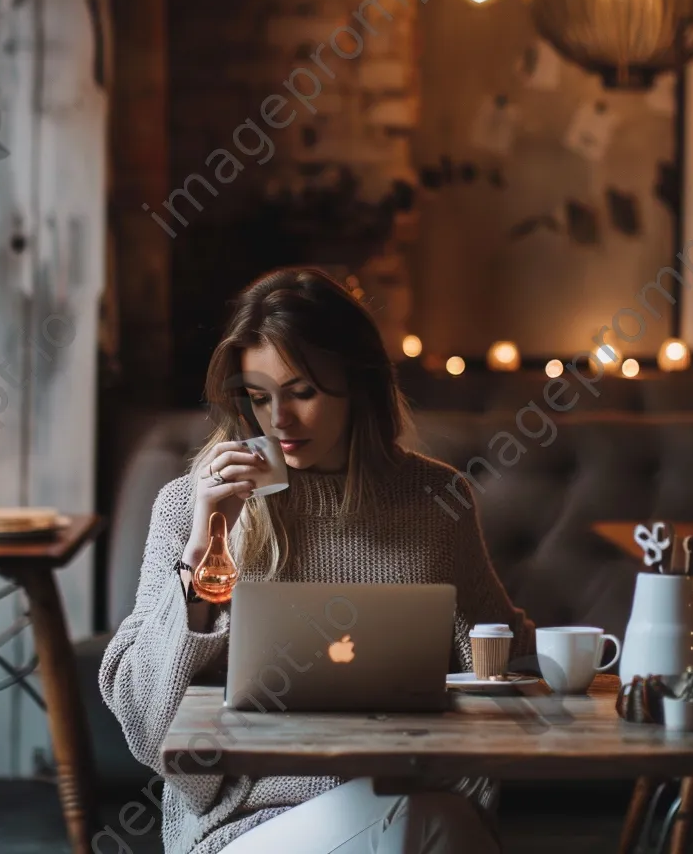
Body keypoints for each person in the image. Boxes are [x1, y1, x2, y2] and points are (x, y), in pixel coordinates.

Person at [100, 267, 535, 854]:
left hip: (408, 803)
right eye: (258, 397)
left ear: (359, 385)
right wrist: (207, 549)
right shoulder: (190, 506)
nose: (277, 420)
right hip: (248, 827)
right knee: (424, 821)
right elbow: (147, 727)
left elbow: (506, 658)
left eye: (302, 392)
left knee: (428, 818)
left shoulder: (435, 500)